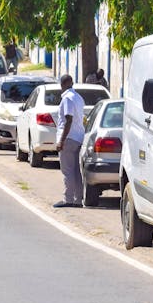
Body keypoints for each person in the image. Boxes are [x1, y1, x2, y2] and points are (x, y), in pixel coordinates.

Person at [54, 74, 87, 208]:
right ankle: (78, 199)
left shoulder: (67, 99)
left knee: (67, 170)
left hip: (68, 138)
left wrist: (61, 140)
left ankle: (68, 199)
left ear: (63, 85)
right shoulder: (78, 97)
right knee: (76, 171)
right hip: (79, 137)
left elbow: (69, 119)